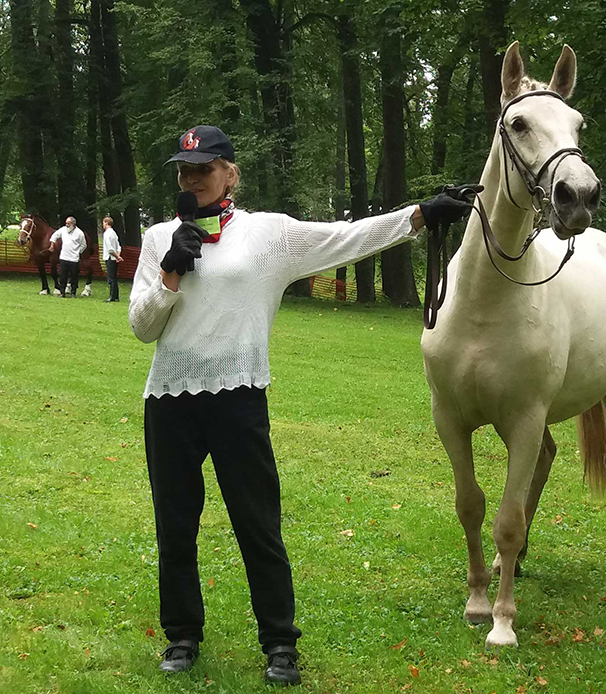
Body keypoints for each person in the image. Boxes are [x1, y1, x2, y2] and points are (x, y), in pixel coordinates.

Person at [128, 125, 474, 685]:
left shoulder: (269, 236)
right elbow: (142, 328)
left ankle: (280, 643)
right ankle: (182, 636)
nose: (192, 179)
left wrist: (421, 215)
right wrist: (170, 271)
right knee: (175, 524)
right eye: (184, 170)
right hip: (169, 400)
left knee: (257, 524)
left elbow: (348, 236)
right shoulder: (159, 236)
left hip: (239, 396)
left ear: (230, 173)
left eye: (204, 168)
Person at [49, 216, 86, 298]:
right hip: (64, 257)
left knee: (74, 276)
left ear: (73, 224)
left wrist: (78, 252)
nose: (67, 225)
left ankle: (73, 292)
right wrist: (52, 245)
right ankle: (62, 292)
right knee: (63, 276)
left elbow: (83, 245)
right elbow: (54, 236)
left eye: (68, 223)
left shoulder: (79, 233)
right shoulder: (63, 230)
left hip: (74, 258)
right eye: (66, 223)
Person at [102, 216, 123, 302]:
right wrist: (118, 255)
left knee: (111, 278)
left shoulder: (107, 234)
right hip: (114, 258)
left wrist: (117, 256)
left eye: (103, 223)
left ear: (106, 223)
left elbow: (110, 249)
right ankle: (116, 296)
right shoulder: (114, 233)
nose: (103, 225)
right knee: (114, 277)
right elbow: (118, 246)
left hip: (110, 257)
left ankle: (112, 296)